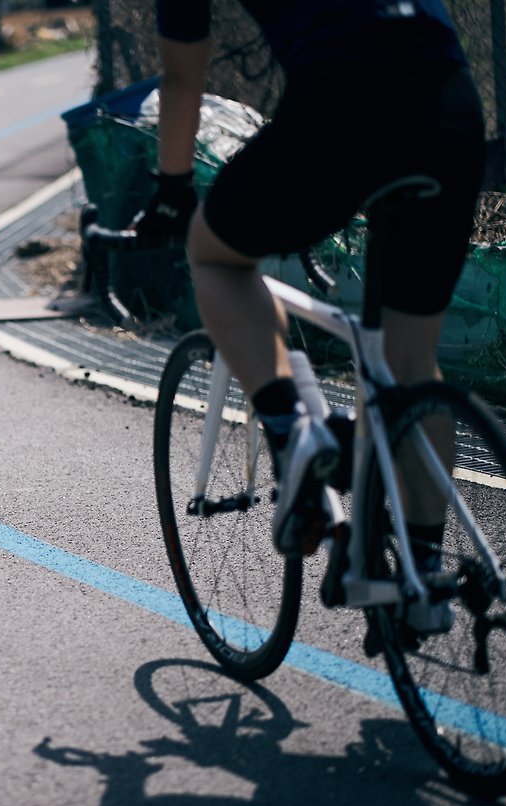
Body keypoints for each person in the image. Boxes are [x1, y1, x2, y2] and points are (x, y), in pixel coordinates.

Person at [138, 0, 485, 562]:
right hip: (450, 104)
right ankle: (423, 573)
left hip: (342, 100)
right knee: (410, 363)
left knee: (216, 255)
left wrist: (173, 189)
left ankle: (294, 432)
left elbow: (182, 76)